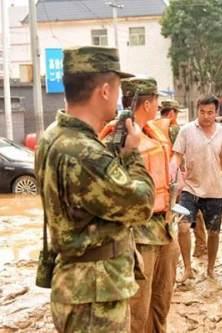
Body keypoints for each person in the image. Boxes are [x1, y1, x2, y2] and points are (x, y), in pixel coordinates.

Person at [35, 46, 155, 332]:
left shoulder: (52, 136)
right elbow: (142, 205)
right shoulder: (84, 152)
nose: (116, 99)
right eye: (115, 90)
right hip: (95, 295)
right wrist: (133, 154)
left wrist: (117, 154)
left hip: (78, 285)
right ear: (103, 91)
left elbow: (91, 198)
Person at [100, 78, 180, 332]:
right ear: (147, 102)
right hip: (137, 235)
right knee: (137, 308)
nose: (158, 105)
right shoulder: (117, 137)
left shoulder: (152, 131)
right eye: (156, 100)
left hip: (163, 229)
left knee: (161, 301)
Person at [172, 95, 222, 281]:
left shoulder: (221, 132)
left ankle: (210, 268)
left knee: (214, 232)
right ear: (197, 110)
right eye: (202, 112)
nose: (206, 116)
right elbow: (177, 154)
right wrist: (173, 169)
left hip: (214, 190)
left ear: (216, 112)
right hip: (190, 189)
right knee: (183, 227)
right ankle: (187, 269)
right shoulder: (186, 131)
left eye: (210, 112)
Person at [159, 99, 209, 258]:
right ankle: (201, 245)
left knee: (168, 215)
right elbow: (181, 155)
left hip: (162, 180)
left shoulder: (153, 127)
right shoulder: (175, 129)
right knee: (194, 211)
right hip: (179, 179)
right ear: (172, 113)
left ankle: (169, 251)